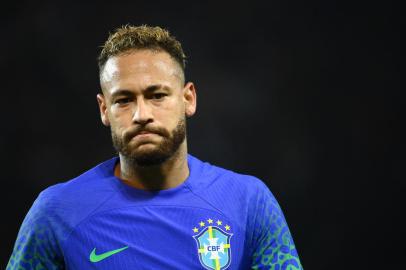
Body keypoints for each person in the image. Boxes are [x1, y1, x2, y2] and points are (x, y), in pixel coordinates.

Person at [7, 25, 303, 270]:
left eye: (157, 95)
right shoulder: (57, 213)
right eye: (123, 100)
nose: (141, 114)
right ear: (104, 109)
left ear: (188, 99)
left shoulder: (249, 202)